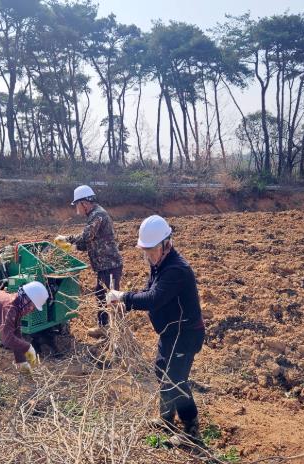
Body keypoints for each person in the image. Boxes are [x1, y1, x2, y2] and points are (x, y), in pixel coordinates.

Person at [107, 215, 205, 447]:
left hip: (185, 333)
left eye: (151, 251)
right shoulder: (159, 265)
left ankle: (191, 430)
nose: (148, 256)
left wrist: (124, 296)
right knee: (162, 371)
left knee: (176, 380)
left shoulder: (176, 270)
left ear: (166, 244)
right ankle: (166, 419)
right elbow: (148, 290)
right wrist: (125, 304)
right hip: (170, 332)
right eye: (146, 251)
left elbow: (154, 298)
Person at [56, 185, 123, 339]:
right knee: (101, 295)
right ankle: (104, 327)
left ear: (84, 203)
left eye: (77, 205)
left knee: (111, 299)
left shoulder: (98, 215)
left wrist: (67, 239)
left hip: (110, 265)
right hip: (104, 266)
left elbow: (87, 236)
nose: (77, 209)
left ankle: (116, 332)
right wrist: (73, 247)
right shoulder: (94, 214)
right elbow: (91, 242)